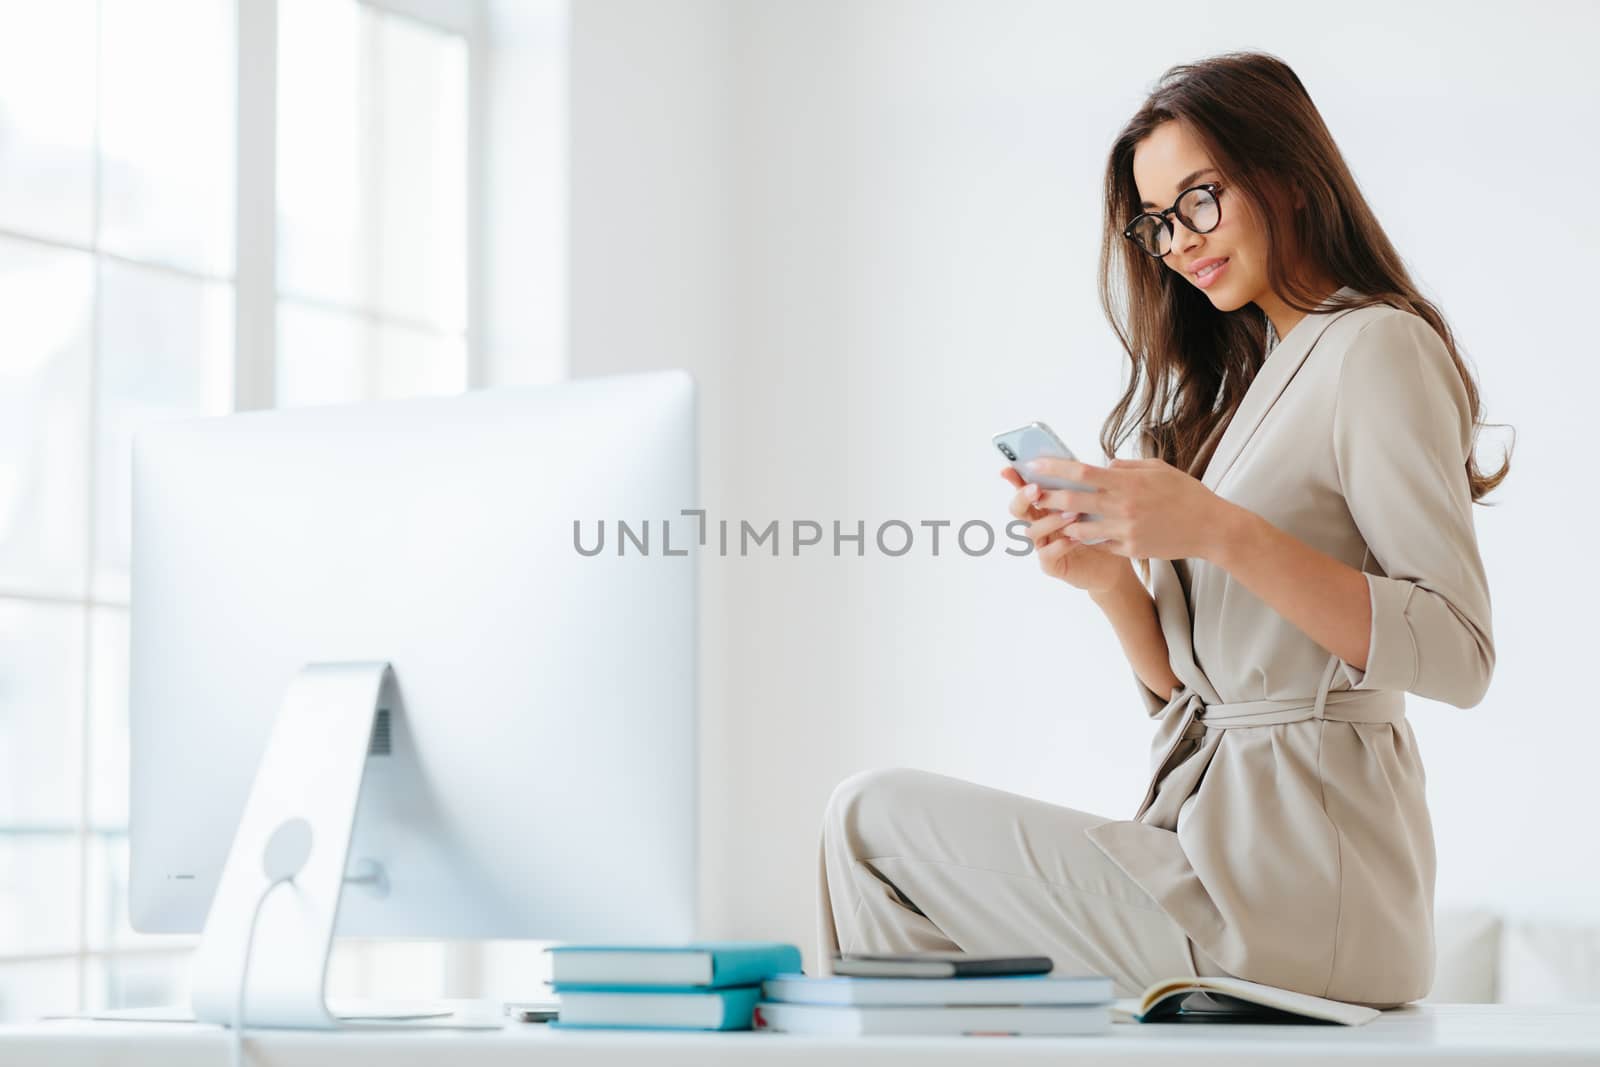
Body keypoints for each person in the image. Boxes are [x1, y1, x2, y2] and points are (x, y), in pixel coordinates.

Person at [816, 50, 1510, 1009]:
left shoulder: (1377, 344)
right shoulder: (1249, 390)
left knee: (871, 820)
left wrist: (1219, 530)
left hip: (1308, 896)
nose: (1178, 241)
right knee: (887, 854)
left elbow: (1459, 652)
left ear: (1288, 175)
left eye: (1201, 199)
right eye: (1156, 222)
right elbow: (1207, 694)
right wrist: (1110, 583)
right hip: (1211, 858)